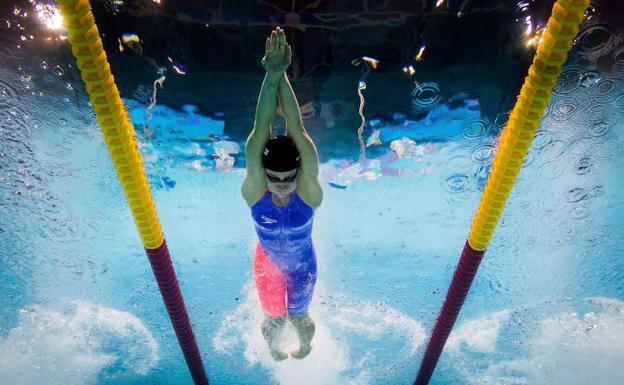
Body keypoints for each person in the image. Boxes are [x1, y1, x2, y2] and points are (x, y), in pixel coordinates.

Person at [241, 27, 323, 361]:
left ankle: (304, 347)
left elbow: (297, 128)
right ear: (264, 175)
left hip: (303, 264)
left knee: (300, 318)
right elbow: (260, 130)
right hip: (269, 263)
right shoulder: (254, 190)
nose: (283, 183)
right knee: (273, 321)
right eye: (275, 178)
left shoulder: (309, 193)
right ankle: (274, 348)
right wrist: (272, 75)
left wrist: (282, 74)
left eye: (289, 177)